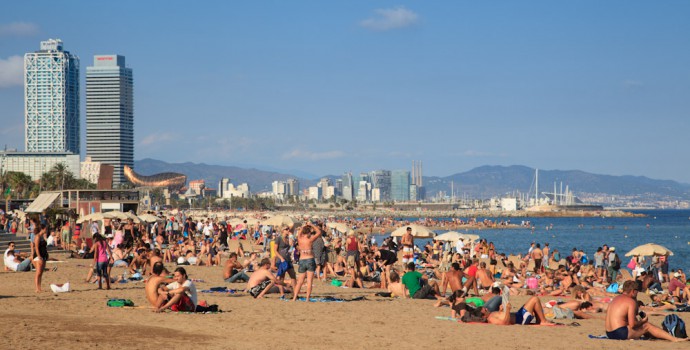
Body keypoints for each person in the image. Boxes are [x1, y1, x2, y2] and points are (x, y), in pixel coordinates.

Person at [605, 280, 686, 341]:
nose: (637, 293)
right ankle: (674, 339)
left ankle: (656, 335)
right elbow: (632, 325)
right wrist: (643, 321)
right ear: (633, 291)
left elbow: (628, 319)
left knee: (641, 327)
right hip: (619, 333)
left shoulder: (615, 299)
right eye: (637, 291)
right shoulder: (630, 302)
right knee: (647, 326)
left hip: (609, 333)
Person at [292, 223, 322, 301]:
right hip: (310, 259)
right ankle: (307, 298)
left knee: (300, 281)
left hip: (302, 260)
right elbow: (318, 232)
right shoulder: (310, 239)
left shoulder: (299, 239)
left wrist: (304, 226)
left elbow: (299, 233)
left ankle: (294, 298)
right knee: (309, 281)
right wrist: (311, 224)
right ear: (308, 233)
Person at [487, 295, 555, 326]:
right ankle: (542, 321)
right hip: (520, 319)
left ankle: (539, 320)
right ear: (483, 315)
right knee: (535, 299)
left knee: (534, 300)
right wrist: (507, 310)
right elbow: (504, 323)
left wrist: (501, 310)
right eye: (484, 310)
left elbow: (502, 317)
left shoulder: (492, 314)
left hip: (518, 315)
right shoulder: (491, 318)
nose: (486, 309)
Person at [31, 224, 49, 293]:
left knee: (41, 273)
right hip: (38, 256)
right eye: (45, 229)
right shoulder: (37, 236)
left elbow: (44, 247)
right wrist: (39, 256)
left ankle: (39, 287)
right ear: (43, 229)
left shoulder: (42, 236)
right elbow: (36, 247)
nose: (46, 230)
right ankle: (37, 288)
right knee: (38, 272)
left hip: (43, 255)